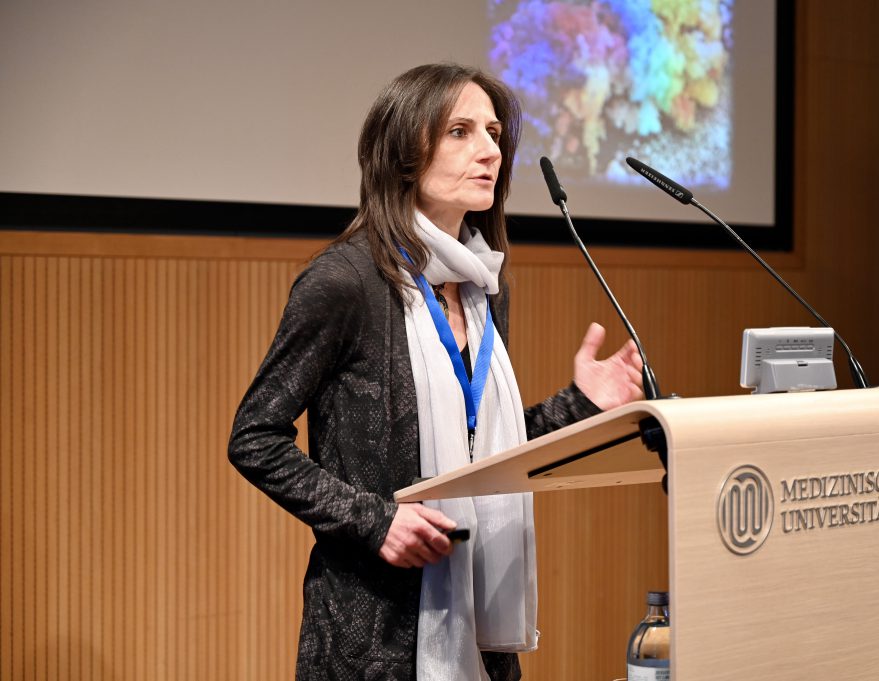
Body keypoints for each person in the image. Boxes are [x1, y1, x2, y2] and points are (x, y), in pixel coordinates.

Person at [228, 63, 643, 681]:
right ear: (402, 155)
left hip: (481, 627)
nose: (490, 151)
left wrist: (578, 405)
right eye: (460, 131)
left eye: (495, 133)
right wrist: (376, 521)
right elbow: (254, 438)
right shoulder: (345, 284)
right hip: (372, 636)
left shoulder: (482, 287)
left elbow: (484, 447)